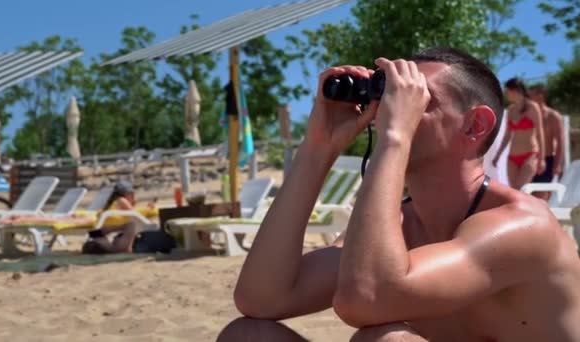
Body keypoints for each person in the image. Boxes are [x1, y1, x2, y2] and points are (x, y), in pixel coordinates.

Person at [218, 47, 580, 341]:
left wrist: (394, 137)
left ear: (475, 124)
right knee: (249, 335)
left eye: (416, 99)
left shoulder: (522, 227)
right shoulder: (398, 227)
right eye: (390, 95)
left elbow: (367, 299)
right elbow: (260, 299)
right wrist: (318, 148)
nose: (390, 110)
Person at [491, 78, 546, 189]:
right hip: (512, 157)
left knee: (522, 189)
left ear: (515, 90)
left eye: (507, 91)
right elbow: (507, 136)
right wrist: (498, 155)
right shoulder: (511, 110)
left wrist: (541, 159)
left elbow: (540, 133)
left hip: (530, 154)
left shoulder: (532, 107)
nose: (506, 94)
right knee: (514, 191)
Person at [82, 180, 157, 254]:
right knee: (132, 225)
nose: (134, 196)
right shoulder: (121, 200)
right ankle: (124, 249)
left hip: (96, 231)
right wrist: (148, 209)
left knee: (125, 229)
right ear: (127, 193)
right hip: (104, 229)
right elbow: (135, 214)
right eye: (132, 194)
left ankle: (98, 245)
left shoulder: (112, 202)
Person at [529, 83, 566, 200]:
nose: (528, 99)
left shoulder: (553, 116)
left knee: (542, 196)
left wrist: (558, 164)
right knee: (527, 195)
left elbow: (560, 142)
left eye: (531, 95)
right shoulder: (528, 115)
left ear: (540, 96)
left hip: (547, 159)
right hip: (529, 160)